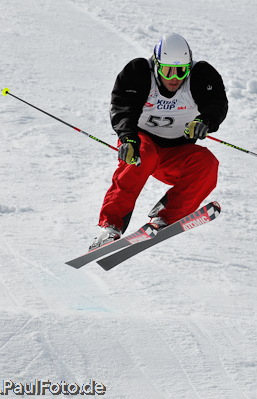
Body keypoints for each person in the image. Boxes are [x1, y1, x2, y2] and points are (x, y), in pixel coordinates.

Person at [90, 33, 228, 250]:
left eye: (181, 71)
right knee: (142, 155)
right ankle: (110, 227)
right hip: (142, 143)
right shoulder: (138, 73)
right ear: (156, 65)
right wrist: (127, 138)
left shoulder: (201, 76)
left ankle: (165, 219)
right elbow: (122, 107)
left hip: (177, 151)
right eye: (167, 70)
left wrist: (205, 121)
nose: (174, 77)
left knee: (207, 164)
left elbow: (216, 103)